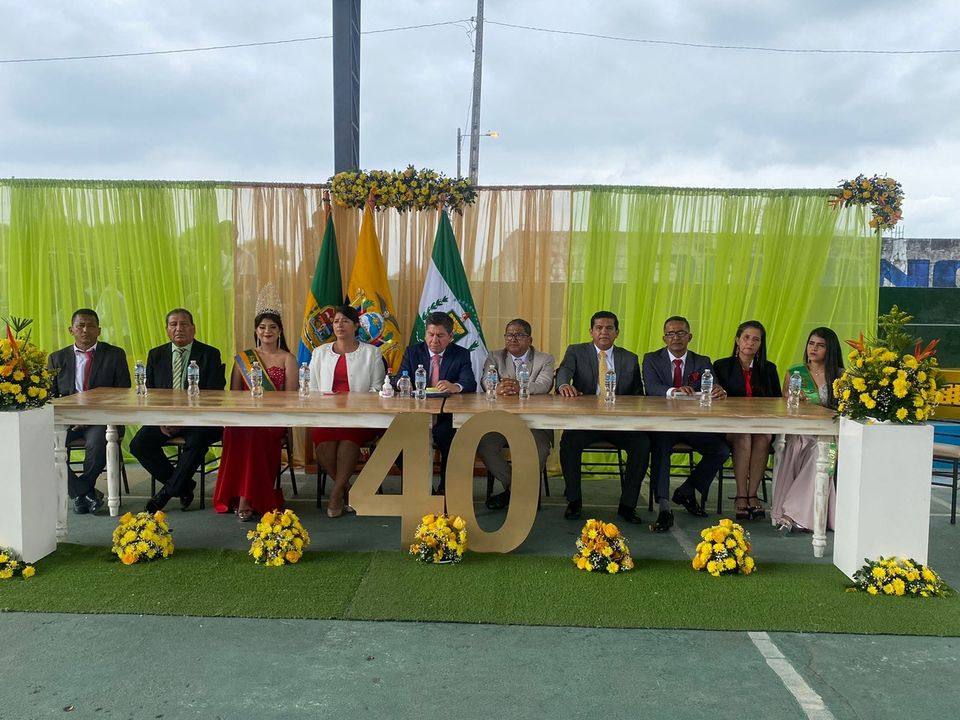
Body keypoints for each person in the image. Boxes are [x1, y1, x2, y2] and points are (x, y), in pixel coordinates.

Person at [555, 311, 649, 524]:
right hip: (587, 422)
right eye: (599, 328)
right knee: (569, 442)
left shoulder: (630, 358)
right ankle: (574, 500)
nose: (603, 332)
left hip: (619, 423)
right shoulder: (576, 351)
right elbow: (564, 371)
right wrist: (564, 385)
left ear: (617, 332)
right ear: (591, 331)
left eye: (609, 328)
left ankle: (628, 505)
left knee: (642, 444)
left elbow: (638, 394)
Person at [213, 291, 298, 521]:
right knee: (237, 431)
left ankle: (246, 498)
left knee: (254, 435)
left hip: (273, 420)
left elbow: (291, 397)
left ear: (280, 331)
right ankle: (242, 494)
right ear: (256, 331)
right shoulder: (244, 358)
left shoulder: (288, 359)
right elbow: (233, 394)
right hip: (244, 417)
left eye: (272, 327)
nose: (267, 331)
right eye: (262, 327)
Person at [131, 308, 226, 513]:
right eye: (173, 324)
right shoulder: (156, 355)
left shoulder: (210, 354)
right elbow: (150, 394)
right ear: (167, 330)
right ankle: (184, 486)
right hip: (164, 420)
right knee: (139, 444)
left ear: (193, 328)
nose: (178, 328)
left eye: (184, 324)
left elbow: (214, 395)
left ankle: (165, 495)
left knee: (197, 441)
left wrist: (183, 421)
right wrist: (161, 421)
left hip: (200, 421)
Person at [642, 316, 729, 530]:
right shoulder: (651, 359)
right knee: (660, 449)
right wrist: (674, 391)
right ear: (664, 338)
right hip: (664, 425)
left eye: (681, 333)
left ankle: (688, 489)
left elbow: (714, 386)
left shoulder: (702, 361)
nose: (676, 337)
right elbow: (651, 387)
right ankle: (664, 508)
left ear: (690, 336)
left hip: (693, 424)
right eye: (671, 333)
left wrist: (718, 390)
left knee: (720, 450)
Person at [47, 309, 131, 515]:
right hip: (67, 421)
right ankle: (84, 493)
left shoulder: (114, 355)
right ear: (71, 330)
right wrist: (71, 418)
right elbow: (50, 396)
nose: (85, 330)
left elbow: (123, 393)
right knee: (42, 446)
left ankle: (81, 492)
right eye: (80, 326)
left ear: (99, 330)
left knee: (98, 442)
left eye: (91, 326)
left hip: (102, 420)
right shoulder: (57, 358)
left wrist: (90, 417)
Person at [309, 305, 386, 517]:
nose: (339, 325)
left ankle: (336, 494)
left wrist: (354, 403)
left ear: (356, 326)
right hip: (327, 415)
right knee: (323, 442)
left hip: (360, 416)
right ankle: (347, 490)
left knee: (348, 440)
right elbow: (312, 389)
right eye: (336, 321)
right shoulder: (319, 353)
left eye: (345, 321)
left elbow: (377, 389)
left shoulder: (371, 353)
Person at [477, 319, 555, 510]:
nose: (513, 339)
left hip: (534, 423)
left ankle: (511, 494)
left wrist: (522, 387)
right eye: (509, 335)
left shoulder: (544, 359)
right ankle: (519, 489)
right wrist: (496, 388)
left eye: (519, 335)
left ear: (530, 339)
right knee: (485, 446)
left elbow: (544, 385)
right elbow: (486, 381)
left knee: (540, 449)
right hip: (500, 422)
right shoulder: (495, 356)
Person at [771, 327, 843, 533]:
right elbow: (786, 405)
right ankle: (799, 515)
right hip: (802, 430)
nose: (814, 348)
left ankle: (791, 515)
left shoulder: (841, 376)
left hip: (831, 434)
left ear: (830, 349)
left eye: (820, 345)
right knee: (801, 445)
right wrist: (795, 400)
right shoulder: (795, 373)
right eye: (811, 343)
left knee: (821, 451)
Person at [397, 311, 478, 494]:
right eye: (430, 334)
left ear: (450, 336)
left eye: (440, 336)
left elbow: (469, 383)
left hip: (445, 416)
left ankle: (445, 489)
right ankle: (423, 488)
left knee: (450, 440)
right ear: (425, 334)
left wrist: (455, 386)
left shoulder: (461, 354)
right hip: (416, 414)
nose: (434, 340)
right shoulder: (412, 352)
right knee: (399, 442)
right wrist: (403, 383)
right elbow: (399, 378)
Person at [712, 320, 781, 520]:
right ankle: (741, 495)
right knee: (744, 437)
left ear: (761, 344)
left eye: (756, 339)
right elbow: (715, 398)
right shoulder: (721, 366)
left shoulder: (769, 369)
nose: (750, 342)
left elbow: (777, 401)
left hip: (761, 424)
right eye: (746, 338)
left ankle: (753, 494)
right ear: (737, 340)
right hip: (731, 424)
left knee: (762, 438)